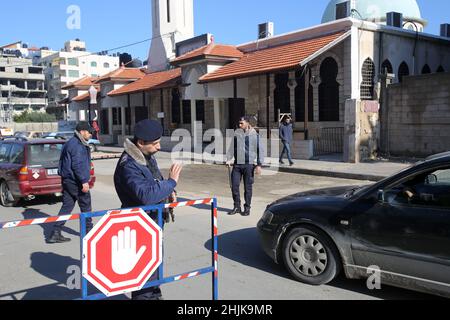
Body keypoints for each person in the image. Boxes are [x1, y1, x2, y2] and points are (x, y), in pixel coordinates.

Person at [114, 119, 182, 300]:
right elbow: (146, 195)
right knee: (143, 276)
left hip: (152, 223)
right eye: (155, 143)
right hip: (138, 228)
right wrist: (171, 182)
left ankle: (155, 294)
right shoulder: (128, 164)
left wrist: (169, 191)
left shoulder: (146, 158)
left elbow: (154, 182)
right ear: (141, 143)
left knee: (154, 269)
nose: (159, 147)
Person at [48, 122, 95, 244]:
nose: (91, 134)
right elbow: (77, 165)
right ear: (82, 131)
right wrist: (84, 181)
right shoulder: (77, 145)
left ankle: (56, 232)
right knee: (85, 205)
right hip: (76, 181)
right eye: (89, 132)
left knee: (67, 206)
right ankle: (90, 232)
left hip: (68, 180)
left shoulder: (70, 143)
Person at [226, 116, 264, 217]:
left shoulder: (254, 135)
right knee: (234, 186)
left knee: (248, 188)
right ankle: (237, 207)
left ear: (247, 123)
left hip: (249, 164)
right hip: (237, 164)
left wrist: (259, 165)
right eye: (239, 123)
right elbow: (232, 147)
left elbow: (260, 150)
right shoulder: (237, 134)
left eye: (241, 123)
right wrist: (229, 158)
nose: (239, 125)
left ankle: (247, 208)